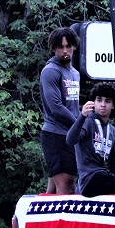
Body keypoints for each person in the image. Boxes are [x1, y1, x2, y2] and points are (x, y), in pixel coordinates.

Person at [39, 27, 81, 194]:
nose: (65, 51)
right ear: (54, 48)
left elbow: (73, 106)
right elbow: (56, 107)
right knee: (66, 187)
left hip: (69, 135)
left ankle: (38, 219)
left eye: (68, 46)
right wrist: (80, 125)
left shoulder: (75, 73)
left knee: (53, 189)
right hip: (55, 134)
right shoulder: (50, 71)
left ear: (74, 46)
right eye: (60, 47)